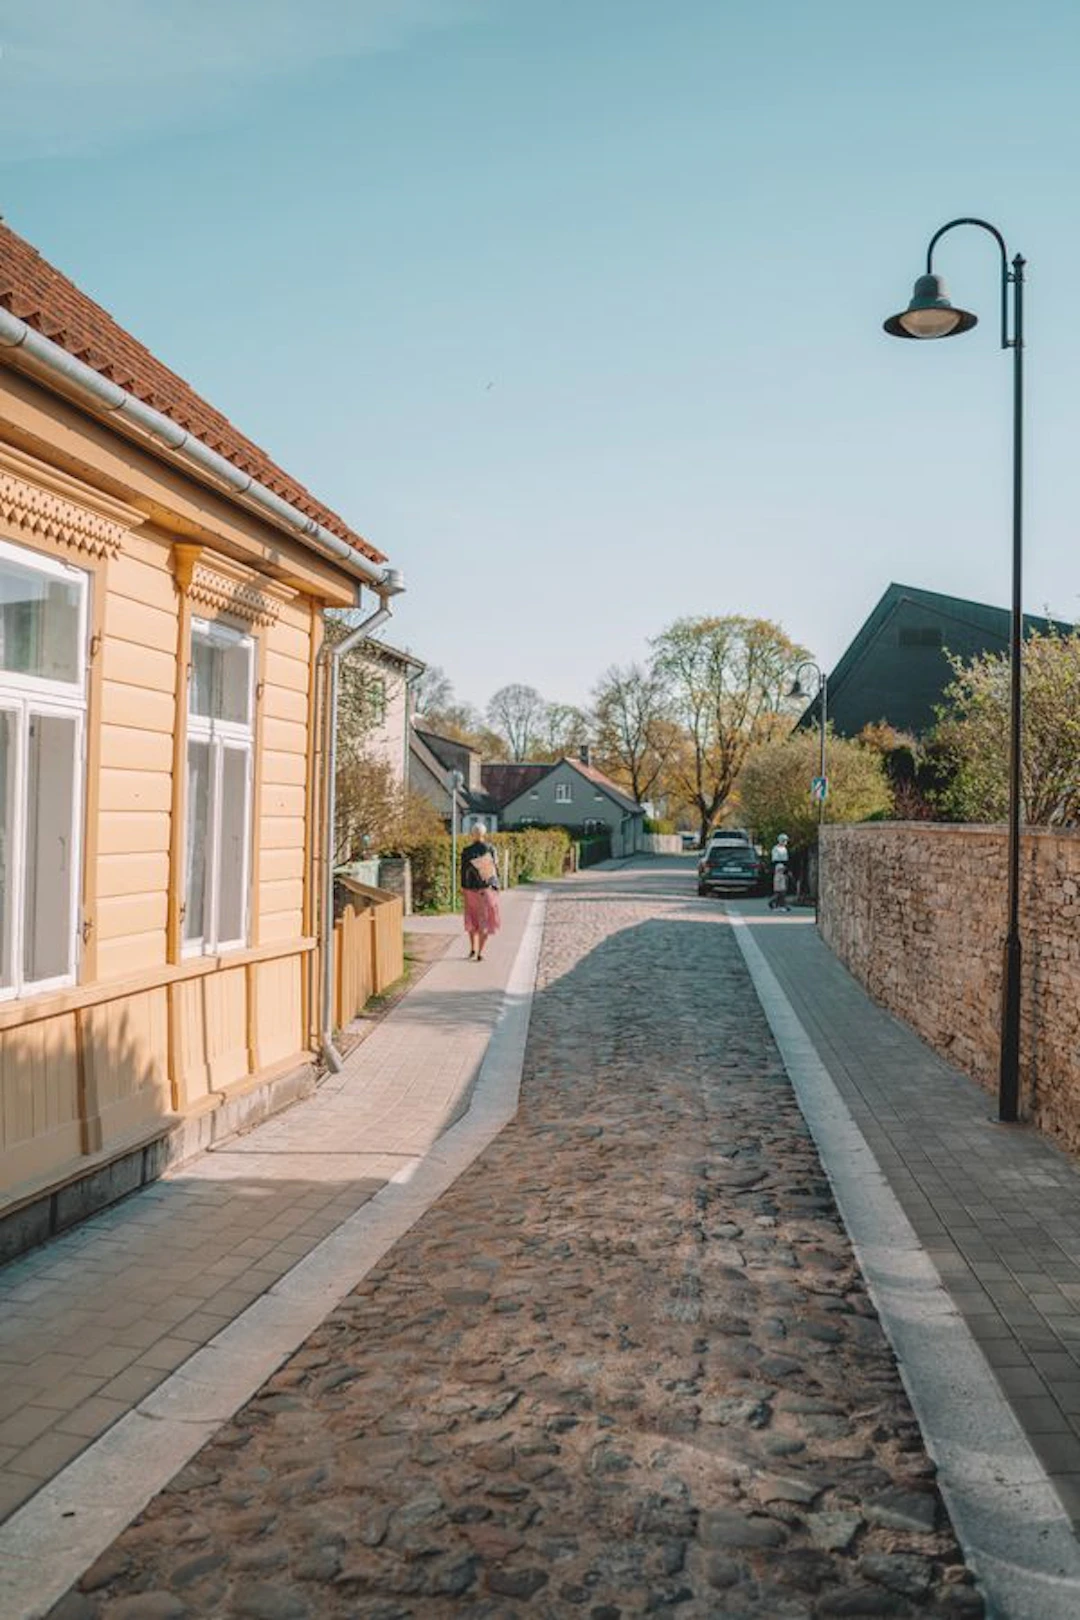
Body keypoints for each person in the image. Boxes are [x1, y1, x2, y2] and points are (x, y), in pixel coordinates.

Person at [460, 822, 501, 961]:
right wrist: (497, 887)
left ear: (472, 834)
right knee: (486, 919)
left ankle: (472, 948)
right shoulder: (490, 849)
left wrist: (463, 888)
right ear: (484, 834)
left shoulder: (466, 851)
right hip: (486, 889)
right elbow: (494, 870)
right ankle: (480, 952)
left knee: (472, 918)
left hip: (470, 890)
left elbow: (463, 872)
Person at [768, 832, 791, 912]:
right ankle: (775, 903)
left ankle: (782, 904)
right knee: (779, 889)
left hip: (784, 869)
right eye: (784, 840)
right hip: (778, 868)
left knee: (783, 888)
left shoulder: (784, 849)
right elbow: (775, 860)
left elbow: (786, 860)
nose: (785, 842)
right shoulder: (776, 849)